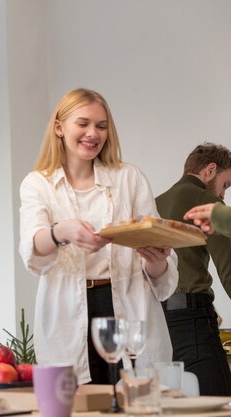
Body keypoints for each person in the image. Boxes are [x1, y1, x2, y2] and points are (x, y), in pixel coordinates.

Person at [19, 88, 178, 385]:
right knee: (77, 403)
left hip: (126, 305)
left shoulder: (129, 178)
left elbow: (158, 273)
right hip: (68, 312)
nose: (93, 133)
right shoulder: (38, 184)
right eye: (83, 123)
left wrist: (157, 260)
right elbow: (33, 245)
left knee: (133, 398)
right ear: (59, 127)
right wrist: (61, 231)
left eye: (101, 126)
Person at [155, 142, 231, 395]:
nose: (223, 196)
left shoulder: (154, 202)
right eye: (225, 185)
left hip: (158, 321)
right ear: (210, 170)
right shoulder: (205, 200)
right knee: (220, 404)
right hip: (193, 321)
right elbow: (228, 265)